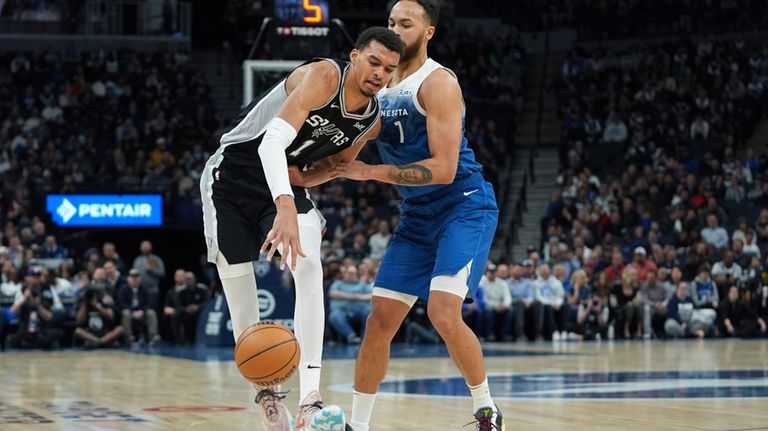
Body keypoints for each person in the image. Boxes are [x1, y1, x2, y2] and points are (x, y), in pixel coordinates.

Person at [199, 27, 404, 431]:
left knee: (309, 266)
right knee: (243, 301)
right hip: (233, 179)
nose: (380, 74)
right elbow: (269, 143)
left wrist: (305, 183)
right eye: (374, 62)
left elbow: (336, 165)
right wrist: (286, 205)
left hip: (286, 188)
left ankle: (311, 399)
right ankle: (268, 398)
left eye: (390, 69)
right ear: (355, 56)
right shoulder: (325, 76)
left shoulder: (371, 120)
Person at [337, 2, 504, 429]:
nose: (395, 29)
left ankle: (486, 409)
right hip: (416, 215)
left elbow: (444, 168)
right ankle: (358, 425)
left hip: (463, 206)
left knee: (443, 312)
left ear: (428, 32)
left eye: (406, 24)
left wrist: (369, 171)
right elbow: (346, 155)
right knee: (379, 321)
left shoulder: (438, 83)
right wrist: (294, 178)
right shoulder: (378, 87)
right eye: (391, 22)